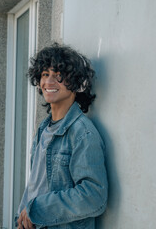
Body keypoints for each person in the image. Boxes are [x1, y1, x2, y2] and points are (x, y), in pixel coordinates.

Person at [15, 43, 108, 229]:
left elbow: (94, 196)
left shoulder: (82, 133)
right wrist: (24, 213)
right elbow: (37, 183)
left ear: (74, 82)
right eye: (44, 74)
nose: (49, 82)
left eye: (58, 76)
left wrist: (37, 209)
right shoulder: (44, 127)